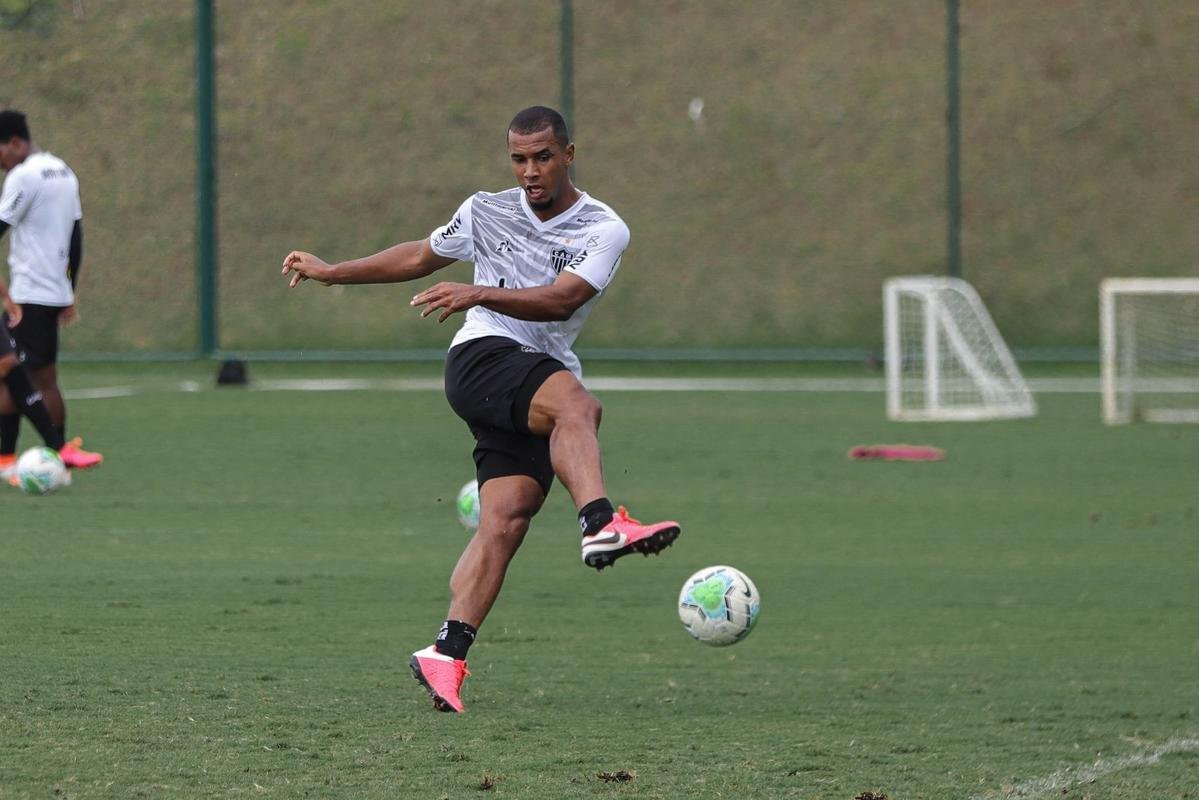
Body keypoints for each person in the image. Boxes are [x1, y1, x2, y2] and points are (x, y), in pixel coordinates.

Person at [281, 106, 680, 713]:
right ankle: (599, 522)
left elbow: (561, 301)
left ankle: (446, 653)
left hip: (530, 365)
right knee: (578, 404)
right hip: (482, 356)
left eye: (542, 157)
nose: (530, 171)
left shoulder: (604, 228)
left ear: (568, 155)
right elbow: (418, 256)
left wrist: (479, 288)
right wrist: (334, 272)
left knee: (508, 518)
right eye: (518, 159)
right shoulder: (485, 210)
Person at [0, 110, 101, 481]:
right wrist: (68, 291)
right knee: (23, 371)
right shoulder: (63, 171)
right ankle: (13, 459)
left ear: (14, 143)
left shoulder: (22, 176)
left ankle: (58, 455)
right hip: (51, 290)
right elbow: (76, 238)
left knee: (28, 374)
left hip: (28, 292)